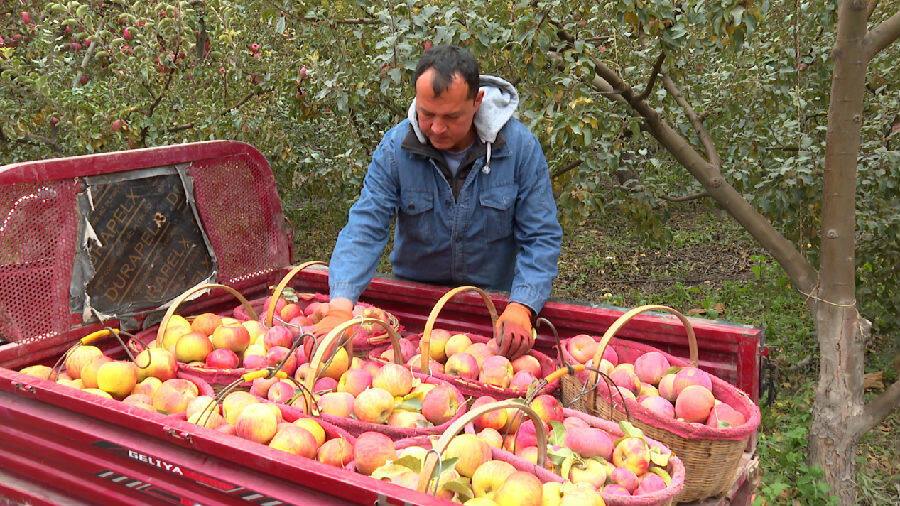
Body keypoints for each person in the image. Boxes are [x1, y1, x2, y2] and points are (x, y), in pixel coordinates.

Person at [314, 44, 562, 359]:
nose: (436, 128)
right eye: (427, 113)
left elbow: (540, 236)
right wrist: (339, 307)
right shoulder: (395, 149)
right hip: (414, 308)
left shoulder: (518, 149)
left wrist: (522, 305)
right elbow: (365, 226)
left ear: (477, 102)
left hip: (493, 313)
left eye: (451, 117)